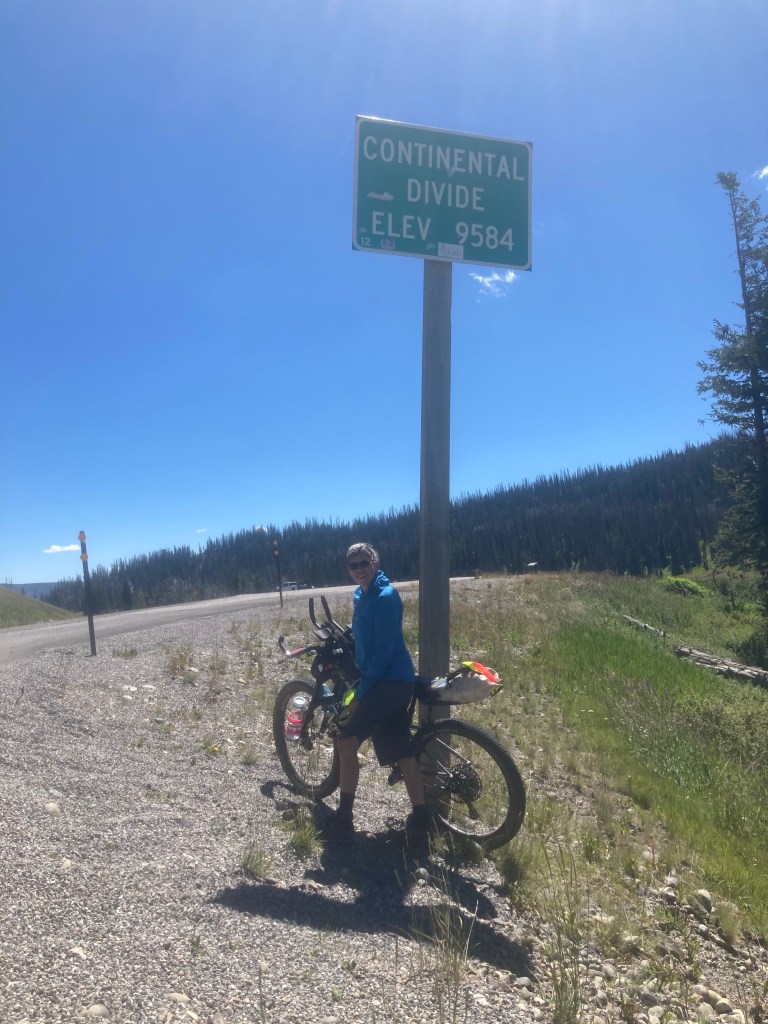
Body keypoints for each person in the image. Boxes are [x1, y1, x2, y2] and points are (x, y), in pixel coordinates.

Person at [321, 543, 435, 846]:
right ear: (349, 569)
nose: (359, 569)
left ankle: (344, 819)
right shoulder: (362, 595)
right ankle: (421, 818)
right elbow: (366, 635)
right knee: (402, 752)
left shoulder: (385, 597)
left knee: (346, 742)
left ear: (376, 562)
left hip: (388, 681)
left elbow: (384, 653)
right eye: (354, 565)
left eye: (364, 562)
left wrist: (361, 693)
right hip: (389, 680)